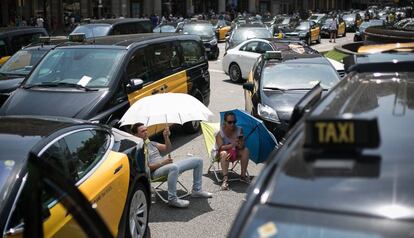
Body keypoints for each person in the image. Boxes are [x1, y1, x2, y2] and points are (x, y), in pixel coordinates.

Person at [132, 123, 212, 208]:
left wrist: (166, 137)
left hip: (167, 167)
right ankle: (172, 199)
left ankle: (197, 190)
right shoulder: (138, 149)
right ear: (136, 135)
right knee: (173, 167)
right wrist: (163, 163)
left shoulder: (150, 143)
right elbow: (147, 168)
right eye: (142, 131)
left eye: (146, 130)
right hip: (154, 173)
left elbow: (168, 148)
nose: (146, 132)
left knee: (198, 160)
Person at [215, 112, 250, 191]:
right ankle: (225, 179)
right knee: (224, 153)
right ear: (225, 122)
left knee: (246, 150)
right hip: (221, 154)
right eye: (230, 122)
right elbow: (220, 148)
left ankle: (243, 176)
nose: (232, 124)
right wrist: (232, 145)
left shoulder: (239, 130)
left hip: (235, 153)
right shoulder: (220, 133)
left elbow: (241, 147)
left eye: (234, 122)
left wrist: (241, 143)